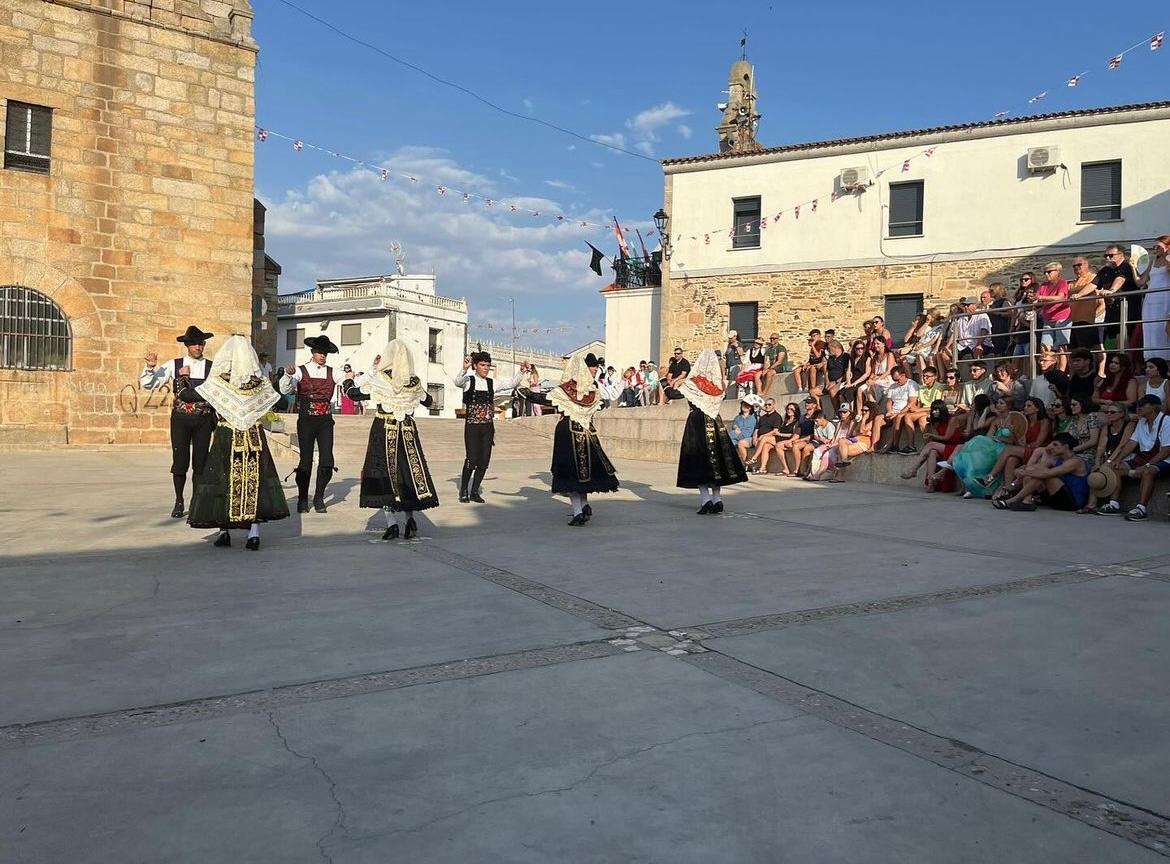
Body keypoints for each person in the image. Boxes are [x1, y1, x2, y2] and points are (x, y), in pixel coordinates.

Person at [188, 335, 289, 550]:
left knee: (222, 480)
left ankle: (224, 531)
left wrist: (183, 383)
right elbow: (281, 400)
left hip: (227, 435)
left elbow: (190, 396)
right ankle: (254, 534)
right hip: (253, 436)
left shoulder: (220, 381)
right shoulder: (258, 384)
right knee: (256, 483)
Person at [341, 341, 438, 541]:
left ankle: (392, 523)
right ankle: (410, 519)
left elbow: (353, 394)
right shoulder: (414, 382)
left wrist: (349, 379)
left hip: (384, 430)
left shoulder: (381, 379)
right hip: (408, 432)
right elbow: (429, 401)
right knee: (407, 473)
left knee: (384, 474)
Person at [521, 352, 620, 525]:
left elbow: (546, 399)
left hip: (568, 433)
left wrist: (526, 393)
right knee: (585, 473)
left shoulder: (565, 389)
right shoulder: (592, 389)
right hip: (588, 433)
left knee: (570, 475)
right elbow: (602, 403)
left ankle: (577, 512)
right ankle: (584, 506)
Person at [140, 325, 216, 519]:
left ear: (204, 344)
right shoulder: (174, 364)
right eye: (194, 344)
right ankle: (179, 500)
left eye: (200, 343)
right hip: (181, 420)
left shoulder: (212, 366)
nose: (198, 347)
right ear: (187, 345)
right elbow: (149, 383)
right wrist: (150, 367)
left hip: (204, 419)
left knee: (200, 462)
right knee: (180, 461)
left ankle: (196, 502)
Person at [675, 349, 748, 513]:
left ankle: (705, 499)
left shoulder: (693, 382)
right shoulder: (719, 385)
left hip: (697, 422)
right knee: (717, 458)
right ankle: (717, 499)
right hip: (715, 421)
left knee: (697, 458)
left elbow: (677, 392)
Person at [279, 335, 340, 514]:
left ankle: (319, 497)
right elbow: (285, 390)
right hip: (306, 420)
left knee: (327, 460)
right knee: (305, 461)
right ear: (313, 352)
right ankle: (303, 498)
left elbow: (351, 383)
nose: (323, 356)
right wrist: (288, 376)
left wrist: (374, 370)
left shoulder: (333, 372)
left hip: (325, 421)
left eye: (325, 353)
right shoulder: (299, 370)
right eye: (320, 352)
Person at [1103, 395, 1170, 521]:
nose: (1138, 409)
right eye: (1137, 406)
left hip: (1164, 460)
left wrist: (1147, 465)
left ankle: (1141, 508)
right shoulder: (1141, 422)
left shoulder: (1167, 421)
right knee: (1114, 468)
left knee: (1148, 471)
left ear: (1153, 407)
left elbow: (1166, 451)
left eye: (1142, 406)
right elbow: (1131, 443)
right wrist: (1118, 459)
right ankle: (1114, 504)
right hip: (1143, 457)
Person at [994, 433, 1089, 512]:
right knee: (1036, 470)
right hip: (1055, 499)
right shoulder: (1056, 459)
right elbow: (1034, 468)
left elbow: (1046, 474)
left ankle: (1012, 499)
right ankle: (1026, 501)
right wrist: (1022, 471)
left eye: (1055, 445)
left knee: (1044, 475)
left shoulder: (1075, 461)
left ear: (1066, 447)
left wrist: (1024, 473)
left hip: (1073, 503)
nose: (1052, 447)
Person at [454, 351, 503, 503]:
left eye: (488, 365)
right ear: (475, 366)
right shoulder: (469, 380)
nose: (486, 368)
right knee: (472, 458)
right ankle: (463, 490)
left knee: (484, 460)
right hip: (473, 427)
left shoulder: (491, 382)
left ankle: (475, 491)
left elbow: (511, 383)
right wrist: (464, 368)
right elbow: (457, 382)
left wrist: (521, 373)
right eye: (482, 365)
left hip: (488, 427)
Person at [1080, 401, 1135, 514]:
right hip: (1110, 455)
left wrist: (1109, 461)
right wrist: (1097, 462)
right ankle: (1092, 504)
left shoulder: (1129, 425)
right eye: (1107, 412)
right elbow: (1101, 446)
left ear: (1121, 414)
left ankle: (1113, 504)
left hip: (1125, 456)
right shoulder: (1106, 427)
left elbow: (1122, 445)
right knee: (1095, 471)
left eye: (1112, 412)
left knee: (1111, 468)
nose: (1108, 414)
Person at [871, 365, 919, 454]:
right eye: (894, 380)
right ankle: (873, 446)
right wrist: (889, 411)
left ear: (903, 375)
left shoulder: (912, 384)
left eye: (898, 379)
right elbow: (889, 402)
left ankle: (893, 445)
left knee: (898, 417)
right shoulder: (893, 386)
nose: (896, 382)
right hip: (893, 411)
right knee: (878, 418)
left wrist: (898, 413)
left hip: (904, 412)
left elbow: (912, 403)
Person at [1036, 262, 1072, 365]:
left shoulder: (1062, 283)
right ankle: (1048, 368)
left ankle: (1062, 370)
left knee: (1061, 346)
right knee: (1044, 346)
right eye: (1045, 272)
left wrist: (1042, 298)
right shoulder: (1043, 285)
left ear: (1058, 272)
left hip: (1062, 317)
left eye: (1049, 272)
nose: (1046, 274)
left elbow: (1060, 297)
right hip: (1048, 318)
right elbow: (1037, 299)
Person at [1143, 236, 1170, 362]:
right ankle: (1152, 359)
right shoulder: (1153, 261)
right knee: (1150, 328)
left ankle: (1165, 359)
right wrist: (1133, 267)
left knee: (1162, 328)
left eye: (1159, 246)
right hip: (1151, 299)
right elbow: (1141, 282)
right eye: (1155, 246)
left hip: (1165, 297)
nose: (1156, 249)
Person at [728, 396, 761, 465]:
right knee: (731, 443)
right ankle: (745, 463)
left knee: (728, 436)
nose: (745, 406)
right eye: (743, 405)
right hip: (737, 436)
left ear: (750, 407)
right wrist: (736, 427)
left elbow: (758, 424)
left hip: (748, 436)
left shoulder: (754, 416)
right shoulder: (738, 417)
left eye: (747, 405)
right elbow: (734, 425)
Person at [723, 331, 744, 399]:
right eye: (729, 338)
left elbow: (741, 353)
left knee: (734, 382)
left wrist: (737, 346)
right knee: (730, 382)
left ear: (735, 336)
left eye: (731, 338)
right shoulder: (729, 345)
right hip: (730, 366)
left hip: (736, 365)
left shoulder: (738, 344)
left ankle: (734, 397)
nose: (730, 339)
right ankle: (731, 396)